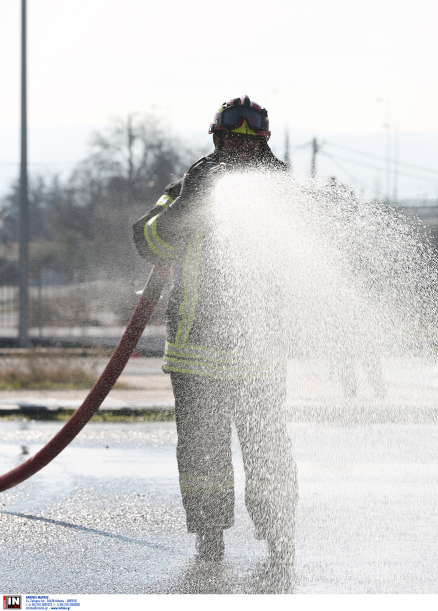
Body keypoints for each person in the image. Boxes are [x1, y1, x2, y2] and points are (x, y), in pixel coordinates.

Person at [132, 95, 298, 563]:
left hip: (259, 354)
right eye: (233, 141)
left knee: (268, 452)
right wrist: (190, 200)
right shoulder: (190, 184)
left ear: (263, 144)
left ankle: (278, 536)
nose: (242, 152)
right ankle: (209, 540)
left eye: (251, 144)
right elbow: (148, 240)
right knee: (204, 457)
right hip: (195, 353)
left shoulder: (281, 192)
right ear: (218, 140)